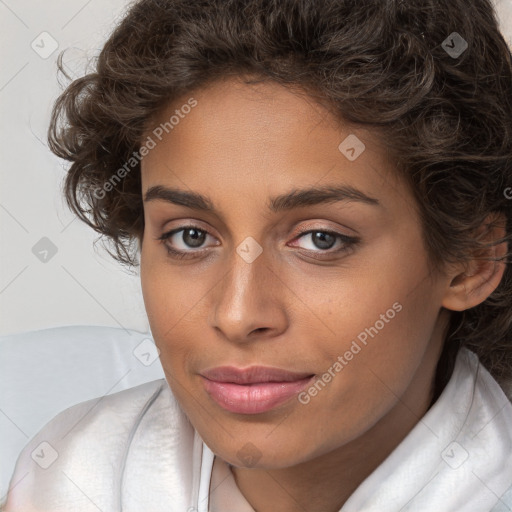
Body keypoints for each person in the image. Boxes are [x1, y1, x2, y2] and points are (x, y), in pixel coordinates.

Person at [4, 0, 512, 510]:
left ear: (473, 260)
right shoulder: (66, 479)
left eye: (321, 239)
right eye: (191, 236)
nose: (237, 315)